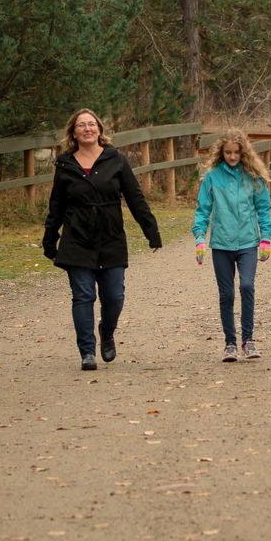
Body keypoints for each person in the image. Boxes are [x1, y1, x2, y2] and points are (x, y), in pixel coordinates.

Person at [42, 109, 162, 371]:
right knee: (83, 296)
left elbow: (135, 198)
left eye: (91, 124)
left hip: (110, 238)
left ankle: (106, 333)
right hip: (77, 238)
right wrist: (50, 240)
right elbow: (56, 206)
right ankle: (87, 351)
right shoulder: (65, 165)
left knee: (114, 296)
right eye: (81, 125)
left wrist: (151, 231)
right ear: (73, 132)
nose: (87, 129)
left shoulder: (116, 159)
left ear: (99, 129)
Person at [192, 129, 271, 362]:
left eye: (236, 152)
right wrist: (200, 239)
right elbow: (203, 210)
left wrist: (266, 237)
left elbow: (263, 209)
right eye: (227, 152)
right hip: (221, 244)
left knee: (247, 286)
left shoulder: (253, 176)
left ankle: (248, 340)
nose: (232, 157)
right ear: (221, 152)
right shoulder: (212, 177)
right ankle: (230, 343)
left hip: (248, 242)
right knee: (226, 294)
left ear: (243, 152)